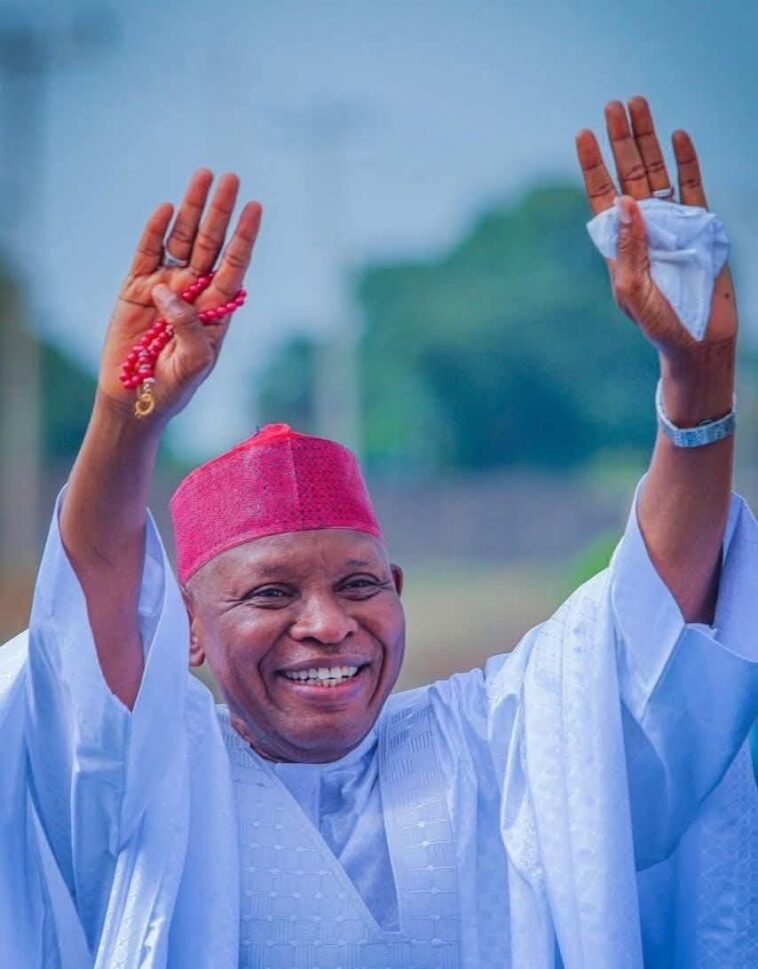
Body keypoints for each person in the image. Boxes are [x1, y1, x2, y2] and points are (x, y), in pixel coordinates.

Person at [0, 96, 755, 969]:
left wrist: (697, 377)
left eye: (357, 584)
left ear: (397, 590)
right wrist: (124, 414)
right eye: (271, 593)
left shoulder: (494, 743)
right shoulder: (157, 780)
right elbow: (83, 647)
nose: (327, 623)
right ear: (187, 627)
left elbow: (654, 644)